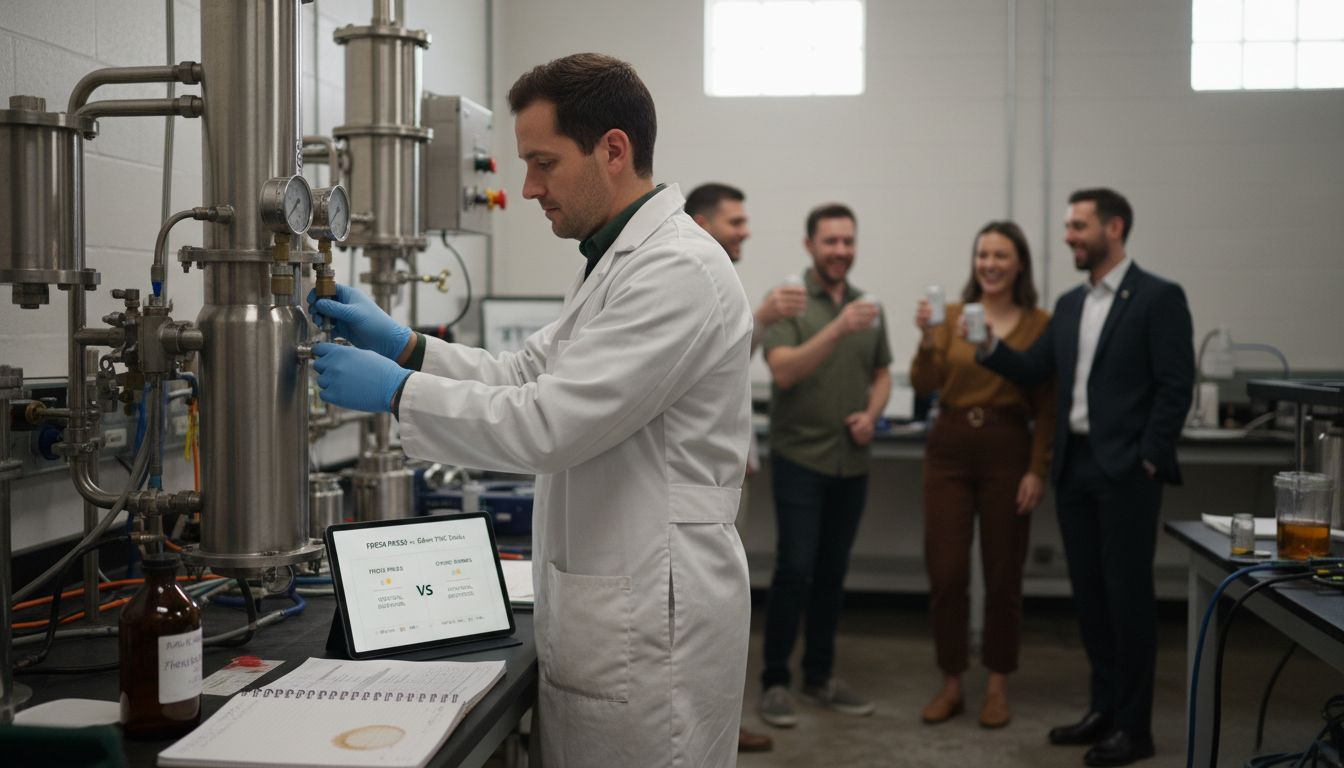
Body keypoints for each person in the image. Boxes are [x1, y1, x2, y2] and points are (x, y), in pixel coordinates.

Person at [309, 53, 754, 767]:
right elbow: (521, 372)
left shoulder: (678, 270)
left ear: (613, 149)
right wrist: (407, 348)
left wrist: (395, 392)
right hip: (616, 602)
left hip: (651, 622)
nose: (527, 187)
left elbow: (546, 425)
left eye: (544, 162)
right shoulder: (615, 261)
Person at [974, 188, 1193, 766]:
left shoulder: (1158, 297)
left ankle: (1135, 728)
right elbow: (1033, 369)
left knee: (1128, 600)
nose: (1068, 235)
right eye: (1069, 226)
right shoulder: (1071, 304)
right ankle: (1104, 711)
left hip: (1125, 470)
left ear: (1114, 227)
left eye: (1078, 226)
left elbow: (1176, 385)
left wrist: (1149, 455)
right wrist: (988, 346)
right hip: (1075, 468)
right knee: (1091, 600)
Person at [909, 221, 1056, 730]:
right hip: (948, 447)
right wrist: (928, 341)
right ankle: (951, 683)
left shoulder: (1040, 323)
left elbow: (1047, 403)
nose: (990, 264)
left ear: (1019, 264)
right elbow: (924, 385)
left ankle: (997, 685)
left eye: (1001, 255)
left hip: (1007, 447)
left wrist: (1037, 469)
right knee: (947, 574)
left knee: (1002, 575)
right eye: (982, 255)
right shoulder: (950, 316)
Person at [757, 203, 892, 729]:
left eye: (848, 241)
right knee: (795, 569)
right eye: (830, 241)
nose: (841, 251)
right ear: (809, 245)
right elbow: (783, 372)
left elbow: (882, 373)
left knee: (833, 574)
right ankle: (774, 682)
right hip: (800, 457)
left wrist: (873, 414)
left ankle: (820, 676)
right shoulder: (791, 302)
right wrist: (836, 329)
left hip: (851, 460)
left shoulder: (867, 304)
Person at [685, 182, 806, 754]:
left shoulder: (718, 277)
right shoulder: (691, 280)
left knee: (727, 605)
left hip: (727, 471)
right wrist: (763, 314)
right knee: (708, 610)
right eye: (736, 221)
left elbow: (726, 381)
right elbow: (720, 353)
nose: (745, 230)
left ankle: (722, 721)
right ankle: (712, 725)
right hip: (694, 490)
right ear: (703, 223)